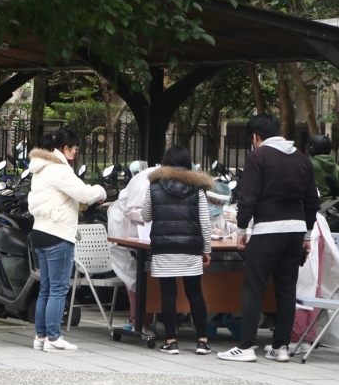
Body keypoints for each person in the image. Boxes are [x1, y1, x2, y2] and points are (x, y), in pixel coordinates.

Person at [218, 114, 320, 363]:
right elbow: (312, 200)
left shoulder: (258, 156)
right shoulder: (302, 158)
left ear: (255, 136)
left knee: (254, 288)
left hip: (268, 231)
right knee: (286, 289)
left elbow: (248, 196)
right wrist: (306, 234)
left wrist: (241, 230)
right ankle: (280, 347)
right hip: (296, 231)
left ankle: (245, 347)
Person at [28, 128, 106, 353]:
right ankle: (53, 338)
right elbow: (84, 193)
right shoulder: (59, 169)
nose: (74, 154)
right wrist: (100, 190)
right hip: (58, 233)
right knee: (58, 289)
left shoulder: (40, 169)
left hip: (40, 231)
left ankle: (41, 336)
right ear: (65, 148)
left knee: (46, 288)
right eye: (74, 149)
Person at [142, 145, 213, 356]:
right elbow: (205, 222)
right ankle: (202, 341)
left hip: (163, 247)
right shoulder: (197, 187)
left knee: (168, 293)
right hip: (190, 247)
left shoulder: (154, 185)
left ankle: (171, 342)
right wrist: (206, 249)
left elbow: (146, 215)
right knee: (195, 292)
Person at [107, 160, 157, 329]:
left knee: (147, 274)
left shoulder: (166, 180)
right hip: (126, 230)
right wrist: (158, 215)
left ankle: (144, 320)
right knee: (135, 276)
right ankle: (138, 320)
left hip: (143, 231)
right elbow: (131, 210)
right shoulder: (144, 181)